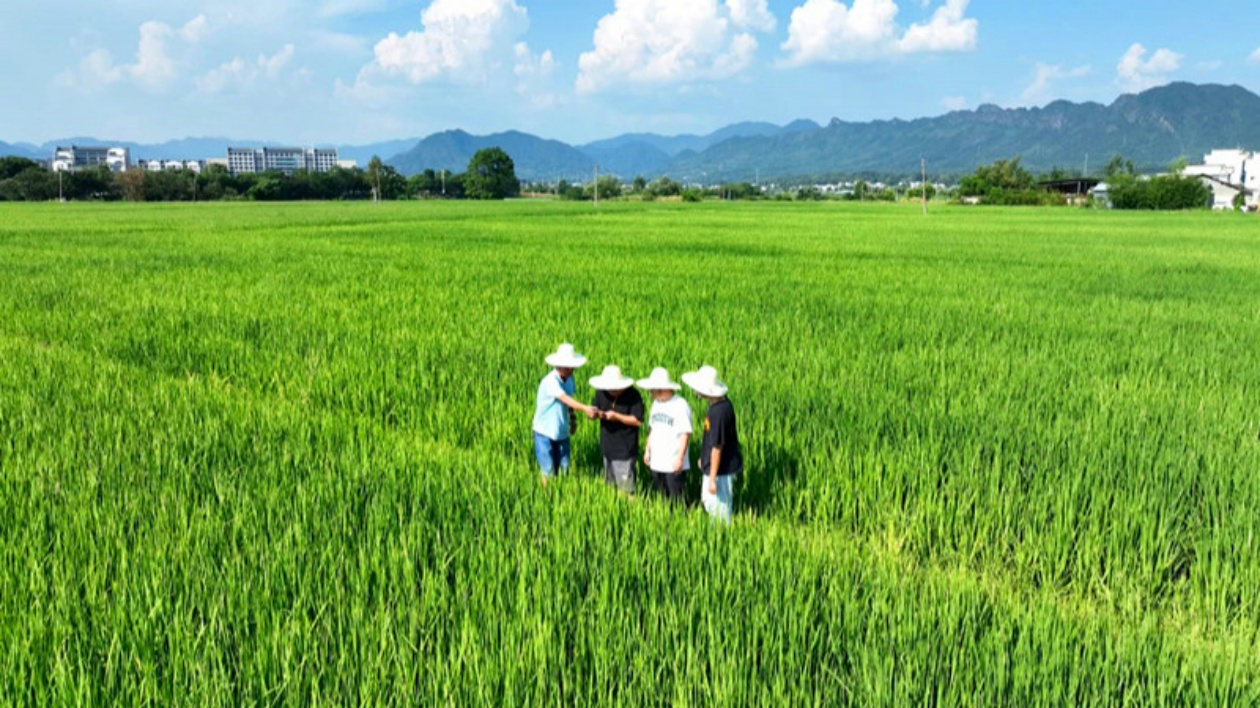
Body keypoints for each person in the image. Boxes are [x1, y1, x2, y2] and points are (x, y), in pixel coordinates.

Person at [683, 365, 743, 523]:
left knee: (718, 511)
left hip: (721, 471)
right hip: (716, 467)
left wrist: (712, 478)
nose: (696, 391)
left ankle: (721, 540)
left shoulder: (718, 413)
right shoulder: (718, 406)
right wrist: (705, 460)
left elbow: (717, 447)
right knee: (710, 504)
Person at [533, 343, 594, 487]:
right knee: (548, 471)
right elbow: (565, 398)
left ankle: (562, 495)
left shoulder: (569, 380)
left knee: (564, 469)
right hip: (544, 432)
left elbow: (569, 402)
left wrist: (573, 421)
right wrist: (585, 408)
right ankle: (547, 496)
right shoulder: (550, 381)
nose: (572, 369)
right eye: (569, 366)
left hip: (561, 431)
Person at [587, 365, 645, 497]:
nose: (611, 391)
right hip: (607, 447)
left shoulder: (633, 395)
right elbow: (594, 410)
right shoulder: (601, 393)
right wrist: (592, 414)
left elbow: (638, 421)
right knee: (610, 486)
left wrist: (616, 417)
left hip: (624, 449)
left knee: (626, 488)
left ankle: (630, 512)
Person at [637, 368, 691, 504]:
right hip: (657, 461)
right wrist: (647, 450)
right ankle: (665, 522)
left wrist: (680, 458)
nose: (650, 393)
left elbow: (685, 433)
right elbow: (652, 428)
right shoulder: (656, 404)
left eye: (652, 390)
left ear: (660, 389)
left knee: (676, 499)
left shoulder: (680, 405)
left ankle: (679, 521)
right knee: (662, 497)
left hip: (673, 463)